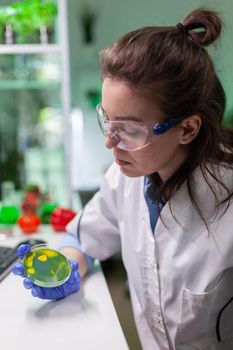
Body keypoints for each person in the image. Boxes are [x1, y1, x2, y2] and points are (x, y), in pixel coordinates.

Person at [13, 7, 233, 350]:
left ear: (187, 129)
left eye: (129, 129)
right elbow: (87, 238)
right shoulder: (125, 176)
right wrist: (64, 266)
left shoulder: (227, 200)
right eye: (108, 121)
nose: (109, 142)